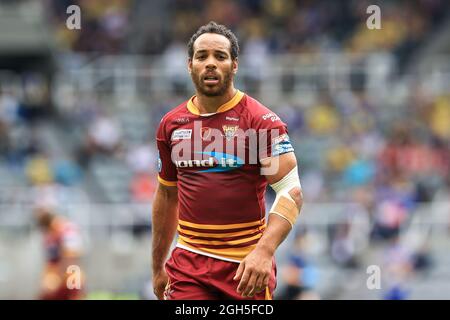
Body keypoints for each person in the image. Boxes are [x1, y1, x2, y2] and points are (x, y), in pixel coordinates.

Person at [151, 21, 303, 300]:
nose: (210, 63)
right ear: (189, 65)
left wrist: (264, 252)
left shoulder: (259, 123)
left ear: (234, 65)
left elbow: (290, 192)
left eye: (220, 56)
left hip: (245, 268)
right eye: (202, 56)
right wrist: (157, 265)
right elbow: (167, 195)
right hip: (188, 267)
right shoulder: (172, 125)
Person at [34, 204, 84, 300]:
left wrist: (59, 276)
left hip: (68, 273)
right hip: (57, 274)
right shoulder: (50, 236)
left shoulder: (67, 230)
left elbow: (71, 256)